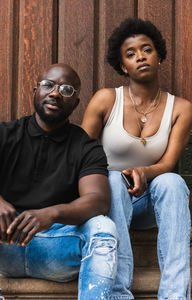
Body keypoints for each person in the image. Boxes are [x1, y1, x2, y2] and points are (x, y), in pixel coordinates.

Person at [82, 18, 192, 300]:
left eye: (147, 50)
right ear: (123, 66)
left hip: (149, 205)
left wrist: (143, 172)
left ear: (159, 57)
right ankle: (118, 292)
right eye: (131, 54)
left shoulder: (180, 108)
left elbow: (167, 163)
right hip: (109, 202)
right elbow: (79, 154)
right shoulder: (106, 100)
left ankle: (175, 294)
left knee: (172, 181)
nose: (140, 56)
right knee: (112, 179)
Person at [0, 63, 118, 300]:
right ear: (35, 91)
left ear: (76, 103)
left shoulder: (86, 147)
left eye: (67, 90)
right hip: (5, 242)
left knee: (104, 227)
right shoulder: (5, 134)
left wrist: (51, 214)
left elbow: (98, 200)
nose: (56, 93)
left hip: (57, 247)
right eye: (48, 85)